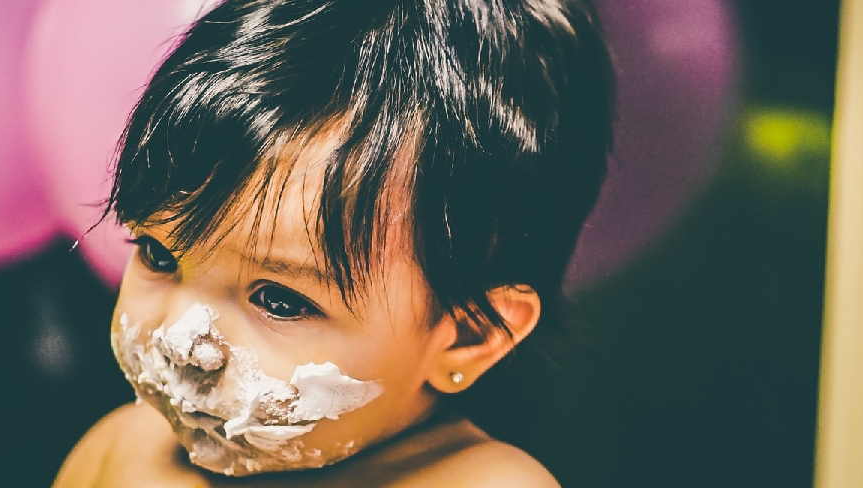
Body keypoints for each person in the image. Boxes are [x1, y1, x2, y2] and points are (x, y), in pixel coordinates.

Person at [52, 0, 613, 486]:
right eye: (159, 254)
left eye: (280, 300)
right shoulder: (119, 451)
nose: (182, 341)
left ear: (467, 334)